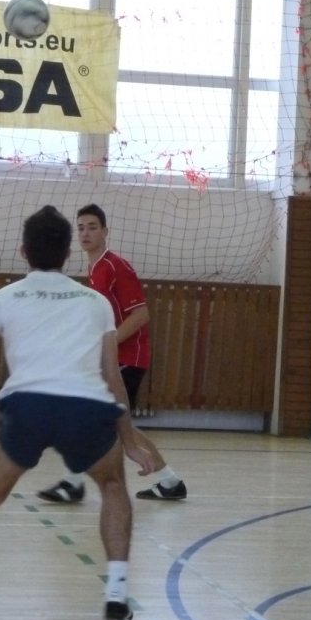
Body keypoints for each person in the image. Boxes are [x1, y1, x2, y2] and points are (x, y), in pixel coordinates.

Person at [0, 205, 154, 620]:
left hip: (27, 408)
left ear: (23, 252)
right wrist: (130, 439)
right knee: (113, 484)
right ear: (67, 253)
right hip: (84, 408)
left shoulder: (1, 299)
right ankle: (117, 592)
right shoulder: (96, 302)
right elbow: (112, 376)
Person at [37, 203, 188, 503]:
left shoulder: (116, 266)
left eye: (92, 227)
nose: (86, 233)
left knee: (91, 417)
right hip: (113, 358)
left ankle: (73, 482)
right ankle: (169, 481)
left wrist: (107, 344)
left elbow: (141, 315)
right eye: (81, 228)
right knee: (120, 424)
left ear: (106, 231)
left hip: (128, 358)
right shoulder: (95, 270)